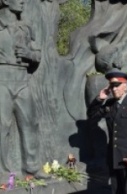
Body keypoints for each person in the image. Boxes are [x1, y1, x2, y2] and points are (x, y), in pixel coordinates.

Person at [0, 0, 48, 178]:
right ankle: (2, 172)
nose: (22, 1)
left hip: (22, 79)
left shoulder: (26, 27)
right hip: (1, 79)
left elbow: (37, 54)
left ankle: (32, 167)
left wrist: (29, 54)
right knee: (1, 126)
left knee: (30, 123)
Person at [87, 68, 127, 194]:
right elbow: (92, 115)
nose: (114, 89)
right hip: (114, 158)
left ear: (124, 86)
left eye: (117, 85)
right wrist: (99, 99)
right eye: (111, 86)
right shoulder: (109, 104)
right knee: (116, 191)